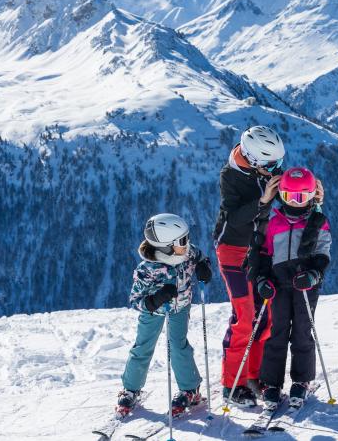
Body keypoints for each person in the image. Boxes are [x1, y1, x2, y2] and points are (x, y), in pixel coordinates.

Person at [213, 126, 286, 407]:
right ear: (254, 160)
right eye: (272, 164)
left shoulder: (264, 169)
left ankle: (255, 376)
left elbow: (286, 199)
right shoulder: (230, 176)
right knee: (244, 317)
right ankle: (232, 384)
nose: (277, 168)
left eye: (279, 162)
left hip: (259, 249)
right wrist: (263, 200)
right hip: (232, 250)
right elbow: (234, 219)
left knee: (265, 316)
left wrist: (310, 197)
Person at [247, 167, 330, 410]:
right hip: (278, 285)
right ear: (281, 195)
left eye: (301, 198)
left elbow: (323, 252)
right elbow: (262, 254)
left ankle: (301, 380)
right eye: (290, 197)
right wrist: (262, 280)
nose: (295, 204)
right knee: (277, 332)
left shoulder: (317, 222)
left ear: (312, 197)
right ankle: (271, 383)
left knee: (302, 331)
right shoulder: (273, 221)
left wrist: (314, 274)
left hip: (305, 285)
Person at [117, 213, 213, 417]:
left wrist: (204, 266)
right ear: (166, 245)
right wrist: (154, 300)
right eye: (182, 240)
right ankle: (130, 389)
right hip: (153, 312)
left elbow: (199, 256)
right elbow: (135, 299)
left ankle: (190, 389)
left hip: (181, 307)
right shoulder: (148, 269)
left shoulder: (186, 252)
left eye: (187, 237)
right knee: (143, 346)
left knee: (178, 345)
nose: (187, 243)